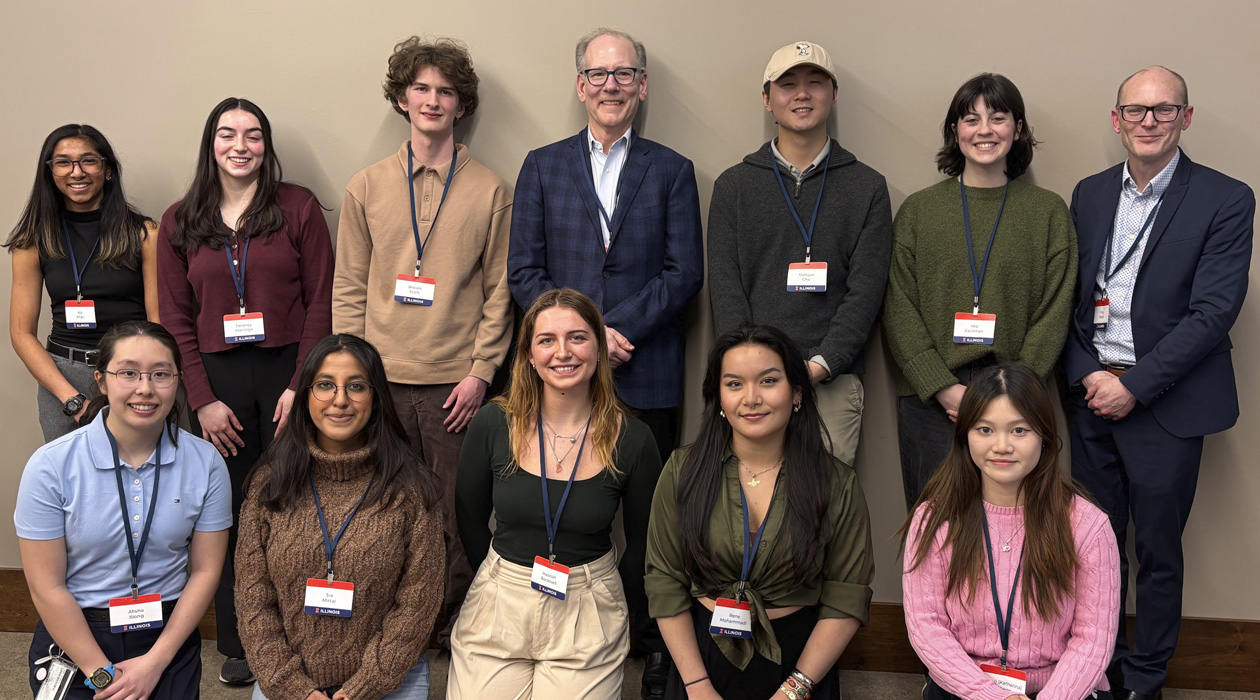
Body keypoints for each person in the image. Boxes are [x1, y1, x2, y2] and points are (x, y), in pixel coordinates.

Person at [506, 29, 702, 693]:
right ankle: (556, 638)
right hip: (560, 378)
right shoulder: (541, 165)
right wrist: (582, 336)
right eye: (597, 73)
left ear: (642, 85)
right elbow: (523, 272)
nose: (610, 84)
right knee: (564, 515)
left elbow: (684, 273)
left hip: (646, 368)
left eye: (624, 74)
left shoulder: (673, 170)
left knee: (654, 527)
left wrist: (614, 331)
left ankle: (652, 651)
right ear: (580, 84)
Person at [1063, 66, 1254, 700]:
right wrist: (1088, 373)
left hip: (1165, 405)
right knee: (1094, 552)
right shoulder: (1088, 194)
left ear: (1186, 118)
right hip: (1091, 397)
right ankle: (1099, 668)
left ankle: (1144, 680)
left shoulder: (1226, 199)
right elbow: (1067, 298)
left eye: (1163, 111)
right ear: (1116, 120)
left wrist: (1135, 385)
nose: (1149, 122)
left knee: (1158, 554)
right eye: (1136, 111)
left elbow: (1213, 312)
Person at [333, 37, 513, 639]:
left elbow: (499, 291)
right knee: (380, 506)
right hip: (379, 382)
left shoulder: (491, 189)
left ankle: (454, 620)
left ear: (461, 105)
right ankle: (390, 615)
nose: (433, 100)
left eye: (446, 91)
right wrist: (351, 378)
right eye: (421, 89)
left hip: (453, 386)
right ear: (402, 99)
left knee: (458, 513)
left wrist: (480, 373)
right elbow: (350, 287)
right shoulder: (366, 185)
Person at [158, 96, 334, 684]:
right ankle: (241, 640)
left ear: (267, 145)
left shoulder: (299, 207)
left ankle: (303, 632)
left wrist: (301, 385)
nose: (241, 145)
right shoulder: (180, 220)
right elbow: (176, 320)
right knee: (228, 513)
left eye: (253, 135)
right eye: (228, 134)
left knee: (293, 504)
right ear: (211, 144)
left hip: (288, 371)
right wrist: (202, 399)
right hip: (216, 381)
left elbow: (320, 300)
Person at [449, 288, 661, 699]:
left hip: (588, 605)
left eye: (577, 337)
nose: (562, 352)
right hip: (500, 599)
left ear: (599, 348)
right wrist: (501, 580)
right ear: (529, 354)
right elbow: (470, 522)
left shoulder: (634, 439)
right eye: (546, 340)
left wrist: (603, 596)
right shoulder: (494, 423)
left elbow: (643, 546)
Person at [646, 324, 874, 700]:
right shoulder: (682, 470)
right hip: (699, 657)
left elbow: (845, 598)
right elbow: (664, 581)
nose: (751, 398)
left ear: (796, 392)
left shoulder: (838, 483)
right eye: (734, 384)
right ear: (718, 397)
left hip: (799, 663)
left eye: (768, 381)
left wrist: (795, 689)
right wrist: (696, 685)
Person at [883, 73, 1077, 510]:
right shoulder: (918, 210)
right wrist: (943, 388)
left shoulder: (1048, 212)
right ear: (955, 131)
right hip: (933, 401)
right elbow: (898, 306)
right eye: (971, 119)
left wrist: (1012, 394)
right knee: (936, 531)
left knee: (1014, 532)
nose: (984, 130)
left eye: (999, 117)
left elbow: (1056, 307)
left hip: (1019, 400)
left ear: (1019, 129)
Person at [15, 320, 231, 699]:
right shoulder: (51, 465)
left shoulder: (205, 461)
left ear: (178, 380)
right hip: (76, 633)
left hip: (166, 636)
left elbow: (206, 571)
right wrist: (103, 676)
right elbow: (46, 587)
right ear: (101, 381)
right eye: (128, 373)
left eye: (161, 374)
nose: (145, 389)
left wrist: (155, 663)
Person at [707, 41, 893, 468]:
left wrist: (819, 366)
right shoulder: (734, 186)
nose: (802, 94)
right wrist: (756, 372)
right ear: (768, 99)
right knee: (751, 503)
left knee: (824, 511)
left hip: (831, 381)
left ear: (834, 94)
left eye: (815, 83)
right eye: (788, 84)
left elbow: (866, 292)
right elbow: (725, 285)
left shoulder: (867, 187)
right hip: (751, 386)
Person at [235, 334, 444, 700]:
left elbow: (418, 603)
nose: (341, 400)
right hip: (287, 679)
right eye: (325, 385)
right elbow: (254, 600)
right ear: (305, 396)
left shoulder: (411, 487)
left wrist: (364, 687)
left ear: (376, 397)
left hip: (388, 679)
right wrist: (293, 688)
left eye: (357, 386)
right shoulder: (271, 484)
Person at [900, 363, 1120, 700]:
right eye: (985, 430)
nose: (1001, 446)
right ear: (964, 436)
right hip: (966, 687)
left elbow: (1093, 640)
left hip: (1062, 690)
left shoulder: (1088, 525)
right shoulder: (933, 518)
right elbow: (927, 626)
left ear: (1044, 436)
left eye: (1019, 431)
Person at [6, 124, 158, 442]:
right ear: (50, 172)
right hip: (62, 375)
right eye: (63, 162)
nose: (77, 172)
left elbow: (159, 324)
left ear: (108, 170)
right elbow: (21, 334)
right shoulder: (32, 240)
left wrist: (146, 379)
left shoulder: (145, 234)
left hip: (133, 372)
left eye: (89, 160)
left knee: (141, 482)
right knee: (72, 486)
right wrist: (72, 400)